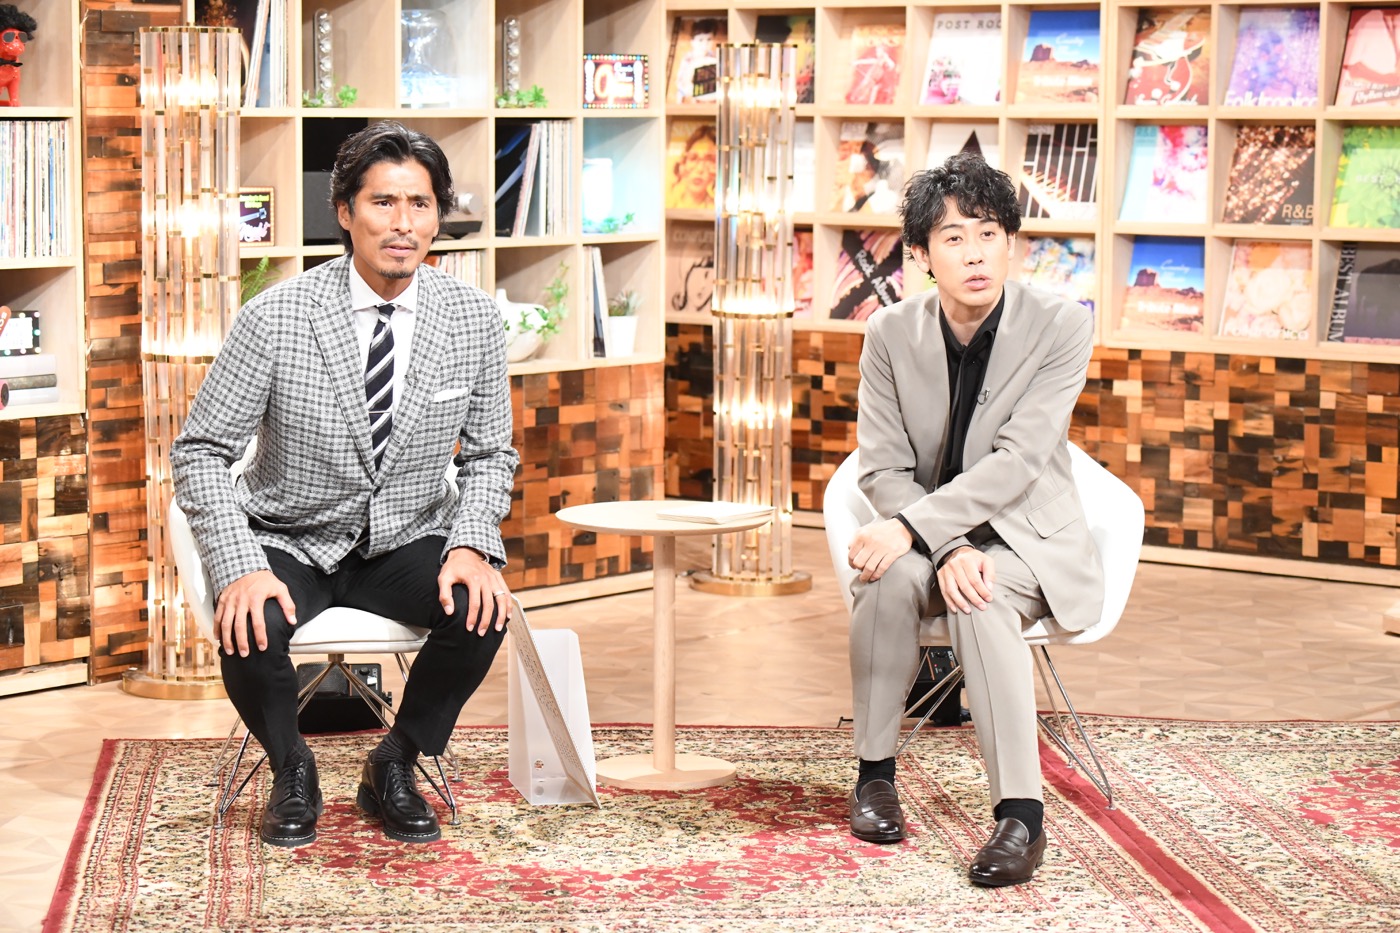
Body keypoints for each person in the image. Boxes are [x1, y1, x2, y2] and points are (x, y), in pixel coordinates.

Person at [171, 122, 519, 848]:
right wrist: (239, 566)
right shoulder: (275, 317)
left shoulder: (475, 320)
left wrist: (470, 545)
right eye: (383, 202)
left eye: (420, 204)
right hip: (290, 535)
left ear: (438, 216)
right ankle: (291, 766)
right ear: (345, 211)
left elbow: (491, 455)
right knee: (252, 620)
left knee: (482, 607)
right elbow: (200, 451)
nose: (403, 224)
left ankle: (396, 760)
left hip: (405, 537)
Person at [842, 152, 1103, 886]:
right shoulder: (888, 333)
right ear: (921, 254)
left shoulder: (1061, 325)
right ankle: (873, 777)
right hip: (934, 533)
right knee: (889, 577)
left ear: (1011, 242)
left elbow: (1019, 460)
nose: (976, 253)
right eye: (953, 238)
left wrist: (923, 534)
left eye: (989, 233)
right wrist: (944, 543)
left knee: (979, 596)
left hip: (1026, 535)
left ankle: (1021, 815)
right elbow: (881, 469)